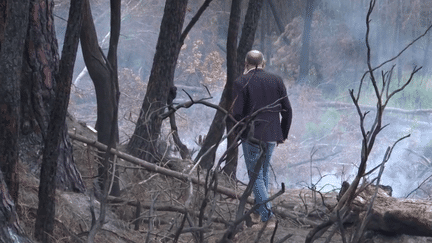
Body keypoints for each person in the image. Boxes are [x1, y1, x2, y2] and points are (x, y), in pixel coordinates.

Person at [232, 50, 292, 228]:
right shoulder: (276, 80)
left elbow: (237, 112)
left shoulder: (241, 81)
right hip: (271, 135)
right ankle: (259, 212)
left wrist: (239, 133)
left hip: (252, 136)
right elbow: (287, 110)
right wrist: (282, 133)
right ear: (263, 63)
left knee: (255, 175)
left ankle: (267, 216)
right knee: (263, 173)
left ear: (246, 64)